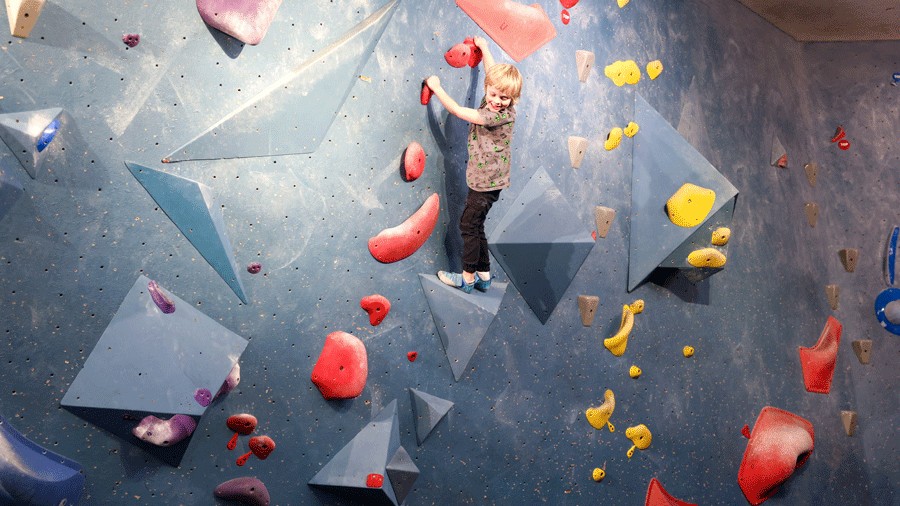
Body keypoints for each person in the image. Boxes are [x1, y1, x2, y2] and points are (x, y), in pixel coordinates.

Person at [425, 36, 522, 294]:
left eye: (504, 97)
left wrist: (437, 88)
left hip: (484, 182)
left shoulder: (492, 115)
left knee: (467, 226)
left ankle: (467, 279)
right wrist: (486, 47)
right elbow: (492, 74)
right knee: (476, 225)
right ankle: (485, 275)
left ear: (513, 99)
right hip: (493, 180)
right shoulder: (500, 98)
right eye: (493, 94)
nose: (497, 100)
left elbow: (458, 110)